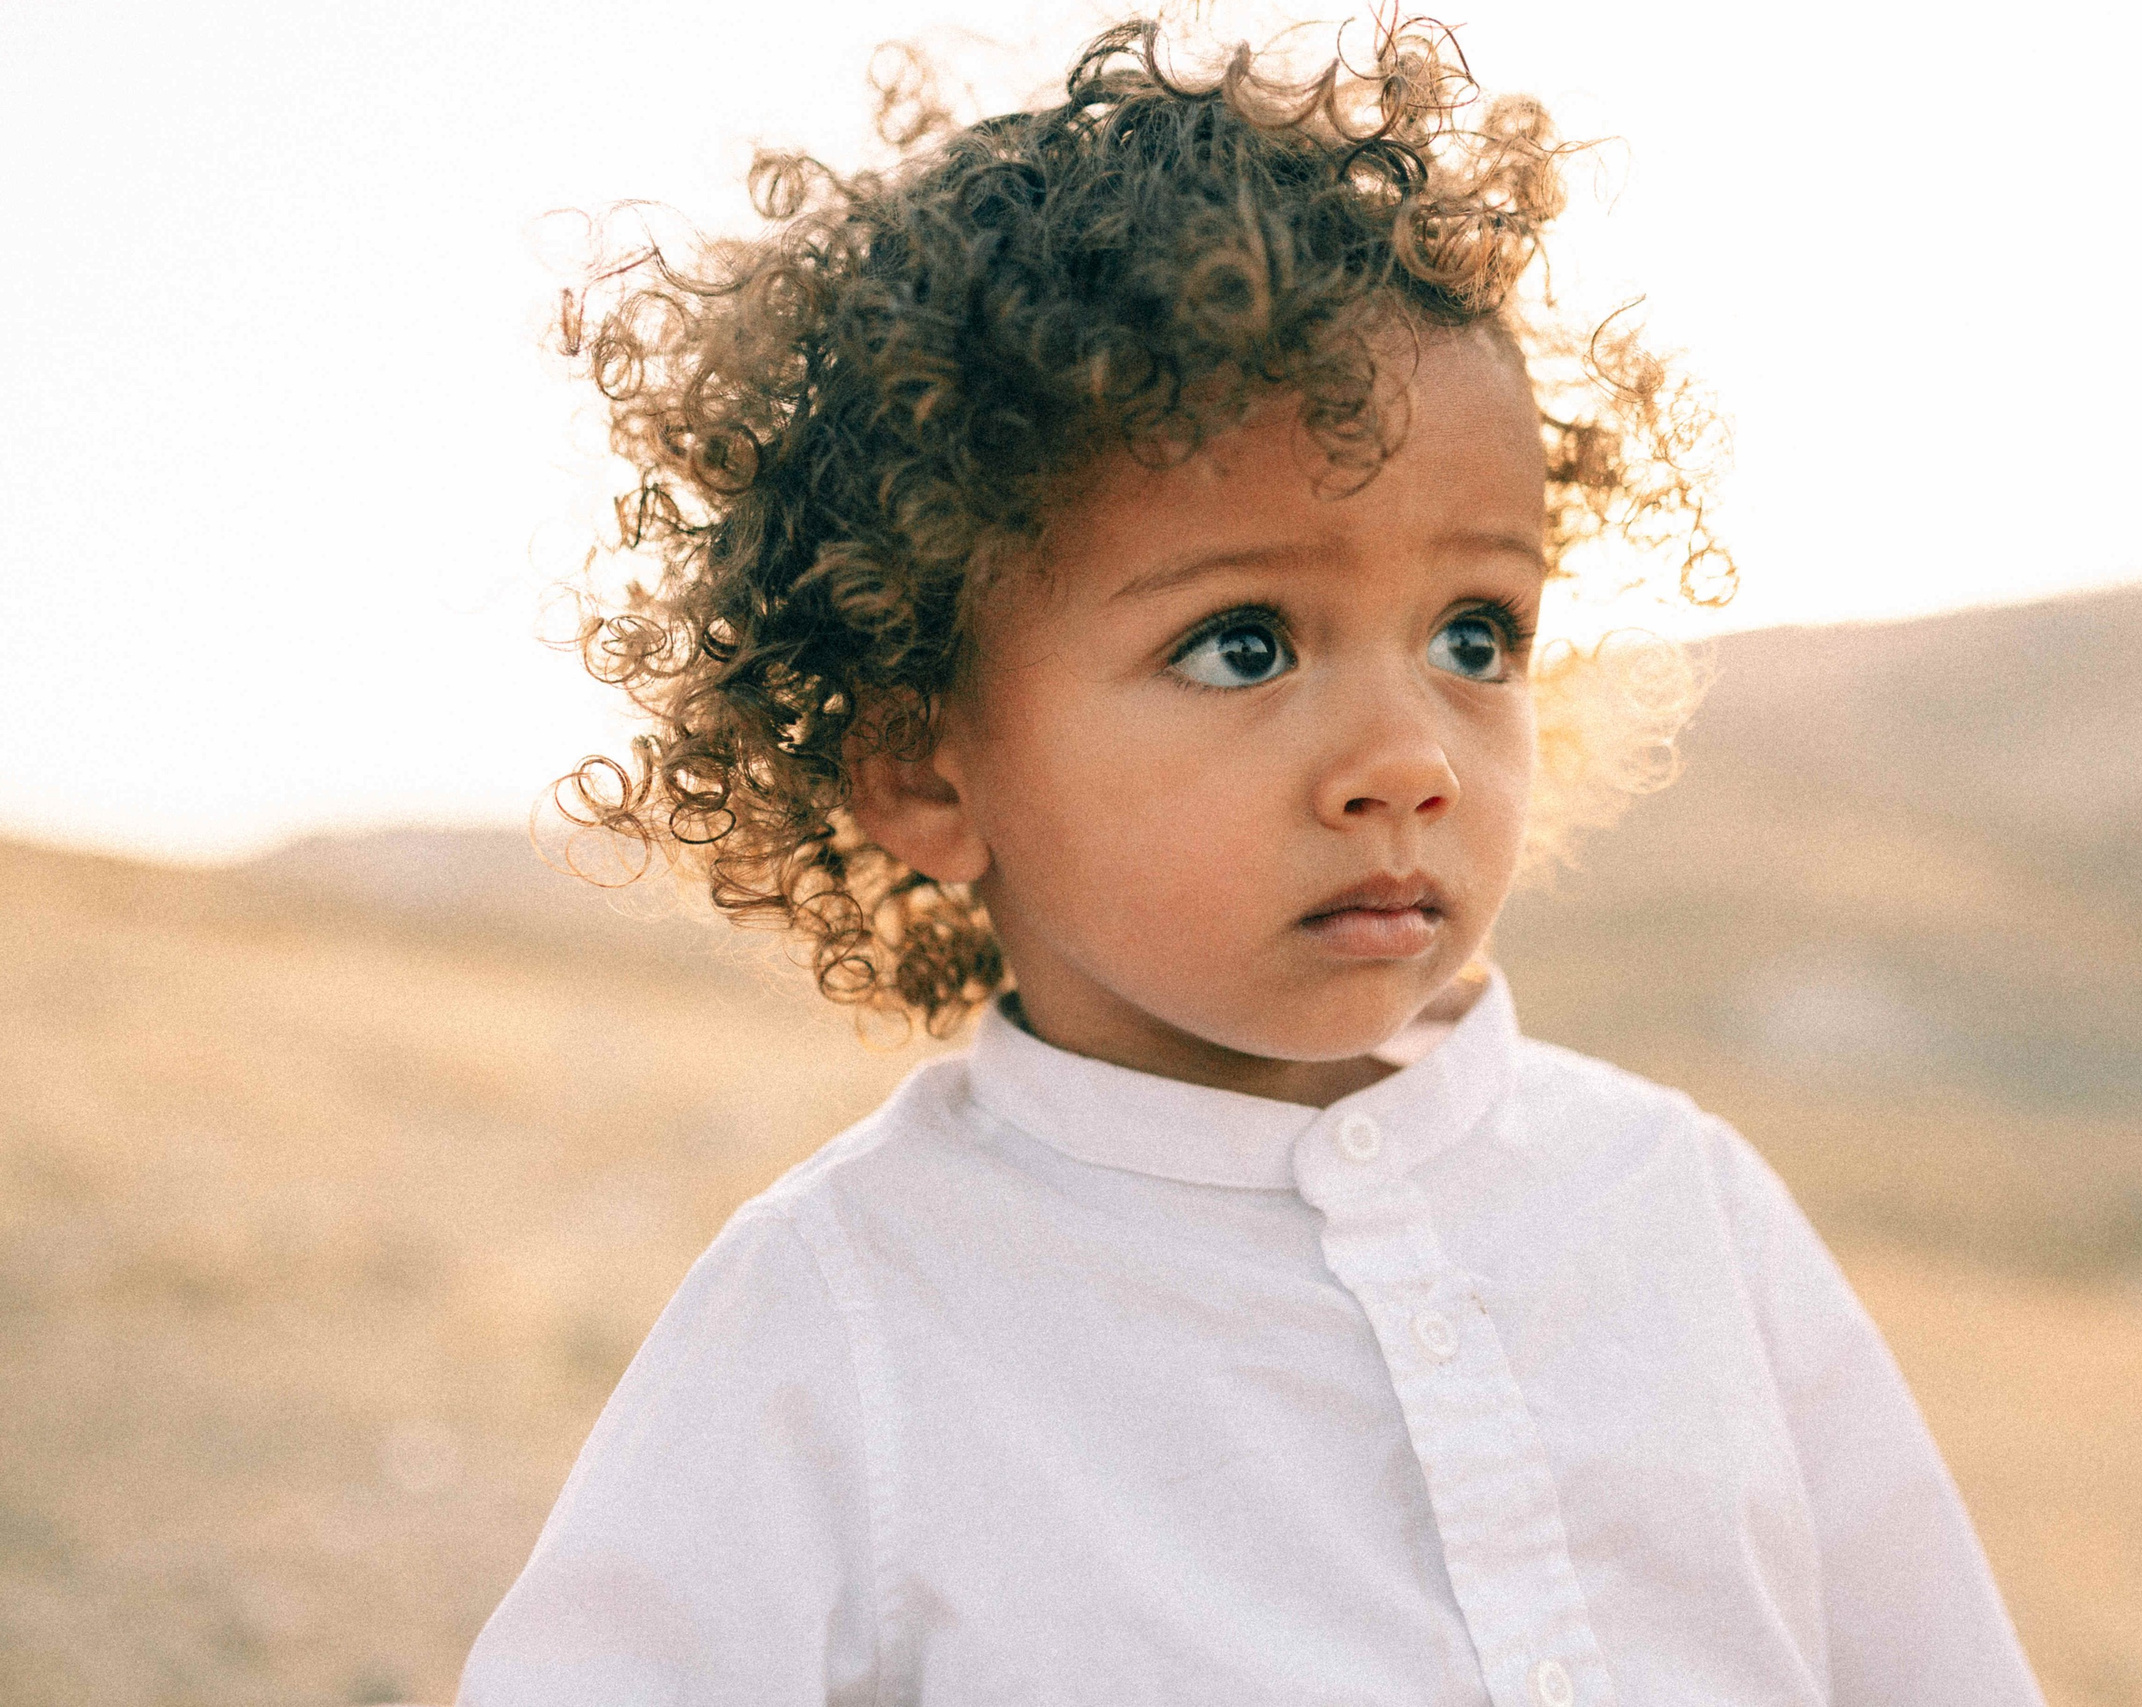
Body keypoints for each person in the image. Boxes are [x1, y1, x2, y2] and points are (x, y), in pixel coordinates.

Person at [459, 16, 2044, 1705]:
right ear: (925, 763)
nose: (1410, 760)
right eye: (1243, 645)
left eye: (1475, 633)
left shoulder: (1679, 1206)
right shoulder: (842, 1317)